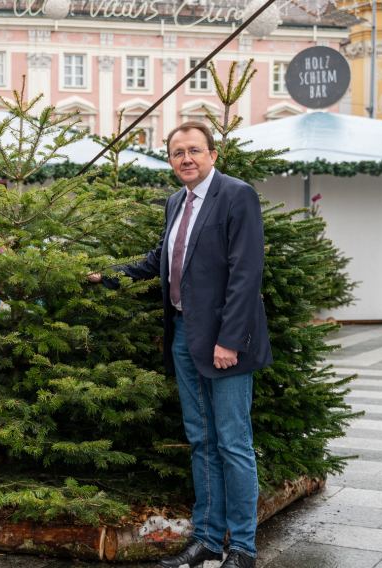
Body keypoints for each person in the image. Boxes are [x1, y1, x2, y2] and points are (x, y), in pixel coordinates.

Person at [91, 122, 271, 568]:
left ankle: (243, 549)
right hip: (184, 337)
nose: (186, 158)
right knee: (201, 441)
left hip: (226, 342)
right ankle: (207, 540)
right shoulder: (176, 202)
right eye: (177, 153)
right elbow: (161, 260)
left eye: (194, 150)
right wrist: (104, 274)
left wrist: (229, 341)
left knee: (233, 443)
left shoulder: (236, 195)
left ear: (213, 153)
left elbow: (245, 273)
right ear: (170, 160)